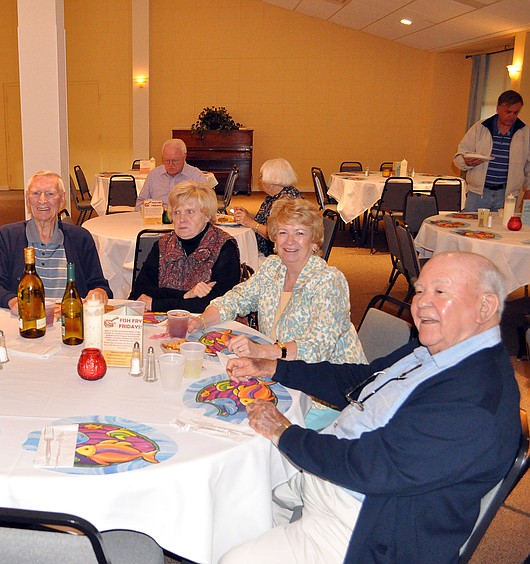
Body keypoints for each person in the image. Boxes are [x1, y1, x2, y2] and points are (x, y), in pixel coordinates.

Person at [220, 251, 521, 563]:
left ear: (485, 307)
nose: (421, 303)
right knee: (232, 492)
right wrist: (273, 367)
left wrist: (284, 433)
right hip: (332, 468)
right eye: (419, 290)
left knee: (234, 558)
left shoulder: (475, 401)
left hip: (361, 523)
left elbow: (372, 466)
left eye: (440, 291)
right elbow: (358, 382)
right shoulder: (437, 350)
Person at [190, 198, 365, 366]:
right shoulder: (272, 267)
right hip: (282, 367)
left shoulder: (328, 281)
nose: (289, 241)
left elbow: (318, 348)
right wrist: (200, 321)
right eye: (283, 232)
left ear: (314, 242)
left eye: (299, 233)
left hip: (331, 375)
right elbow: (235, 299)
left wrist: (261, 351)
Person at [0, 170, 112, 310]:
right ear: (27, 198)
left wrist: (99, 292)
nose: (42, 200)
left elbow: (99, 284)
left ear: (62, 199)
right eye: (36, 193)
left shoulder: (80, 238)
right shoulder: (6, 237)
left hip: (70, 317)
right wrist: (13, 301)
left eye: (50, 194)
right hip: (25, 318)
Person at [129, 181, 239, 312]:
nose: (182, 219)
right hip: (162, 320)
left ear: (207, 216)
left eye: (190, 212)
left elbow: (219, 303)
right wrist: (186, 295)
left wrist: (157, 303)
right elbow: (139, 292)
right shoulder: (163, 244)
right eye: (177, 212)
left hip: (208, 321)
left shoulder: (224, 246)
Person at [454, 89, 530, 211]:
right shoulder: (480, 127)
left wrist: (528, 190)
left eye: (516, 112)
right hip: (478, 194)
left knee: (503, 224)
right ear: (498, 109)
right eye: (508, 112)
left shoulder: (525, 132)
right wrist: (466, 161)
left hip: (507, 195)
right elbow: (458, 158)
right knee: (471, 223)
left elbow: (529, 166)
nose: (512, 116)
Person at [232, 157, 303, 256]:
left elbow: (275, 235)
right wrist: (248, 216)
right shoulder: (274, 196)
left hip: (275, 253)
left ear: (271, 181)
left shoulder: (286, 201)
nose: (260, 181)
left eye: (262, 177)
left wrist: (250, 223)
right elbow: (266, 220)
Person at [135, 139, 210, 207]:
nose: (171, 165)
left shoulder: (196, 176)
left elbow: (206, 206)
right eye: (167, 161)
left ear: (184, 157)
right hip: (157, 216)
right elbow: (139, 204)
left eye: (175, 161)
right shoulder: (154, 175)